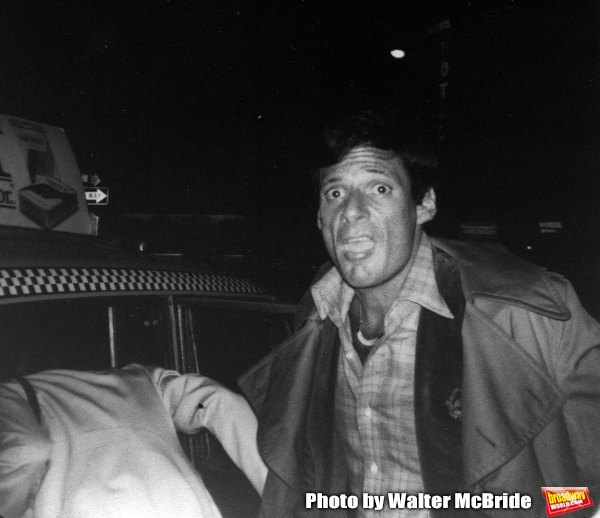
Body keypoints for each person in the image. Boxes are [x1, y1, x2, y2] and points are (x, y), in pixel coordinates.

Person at [238, 110, 600, 517]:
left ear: (424, 205)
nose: (351, 212)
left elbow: (591, 489)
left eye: (379, 188)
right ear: (320, 216)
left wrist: (549, 510)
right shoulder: (315, 317)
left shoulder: (528, 316)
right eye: (334, 193)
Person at [0, 363, 267, 518]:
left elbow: (25, 451)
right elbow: (220, 401)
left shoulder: (11, 393)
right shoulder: (141, 378)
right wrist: (283, 493)